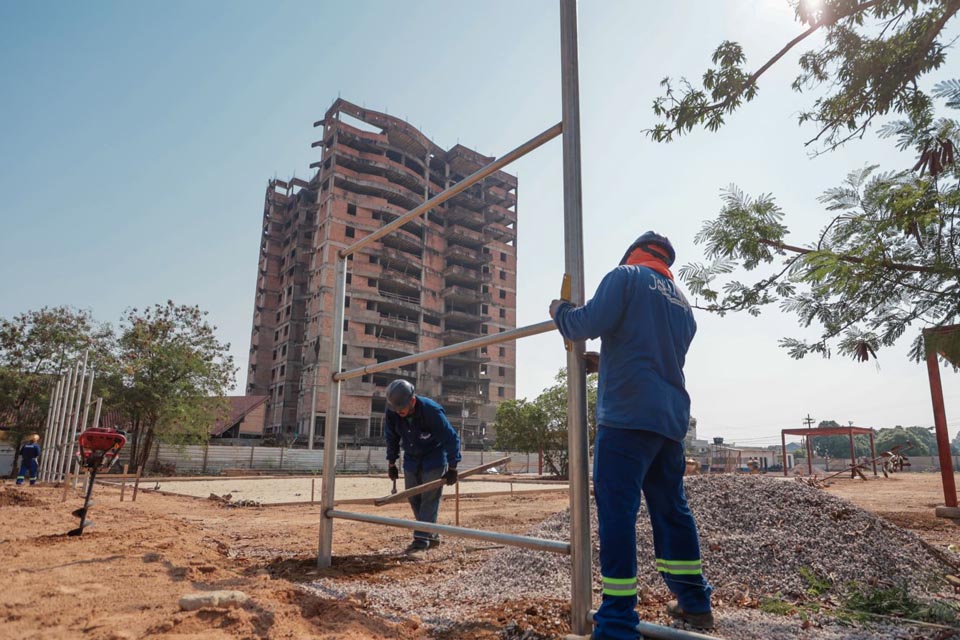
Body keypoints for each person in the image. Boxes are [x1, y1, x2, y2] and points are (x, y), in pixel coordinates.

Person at [549, 231, 714, 638]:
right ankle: (695, 603)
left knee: (617, 515)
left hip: (625, 420)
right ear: (666, 262)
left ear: (634, 253)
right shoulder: (683, 305)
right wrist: (605, 363)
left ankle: (618, 621)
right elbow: (651, 354)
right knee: (672, 512)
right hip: (669, 423)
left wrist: (560, 310)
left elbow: (582, 324)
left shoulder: (624, 277)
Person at [384, 379, 461, 554]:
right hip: (411, 458)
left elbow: (451, 439)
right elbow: (391, 438)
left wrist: (453, 467)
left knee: (429, 499)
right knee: (413, 497)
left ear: (412, 400)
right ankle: (431, 535)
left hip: (433, 458)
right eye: (396, 408)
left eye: (401, 408)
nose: (399, 412)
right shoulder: (393, 411)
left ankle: (421, 541)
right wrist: (391, 463)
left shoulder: (431, 411)